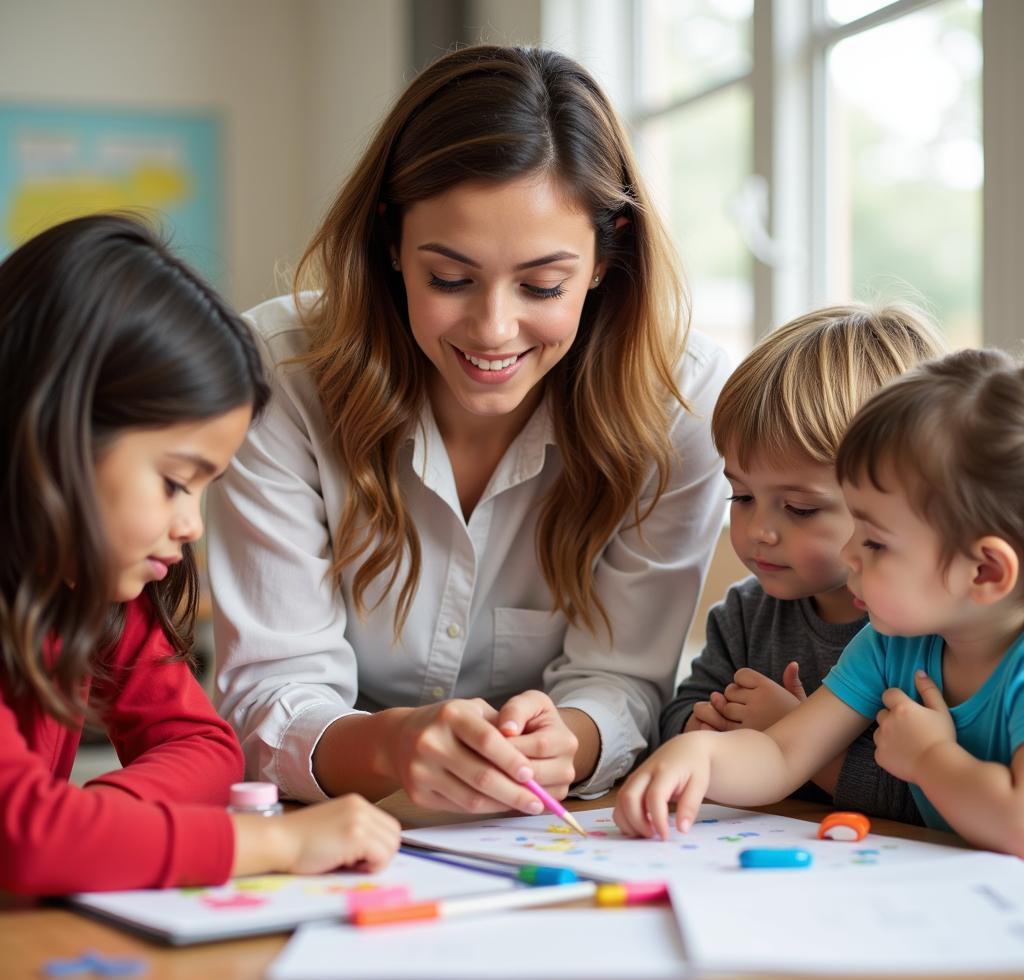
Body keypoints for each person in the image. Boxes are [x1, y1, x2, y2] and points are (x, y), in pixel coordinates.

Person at [207, 44, 730, 813]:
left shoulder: (680, 402)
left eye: (543, 285)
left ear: (605, 257)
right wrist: (391, 744)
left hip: (552, 825)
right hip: (333, 824)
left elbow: (622, 681)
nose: (493, 329)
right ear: (391, 242)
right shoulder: (280, 376)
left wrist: (572, 740)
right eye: (448, 279)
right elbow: (270, 693)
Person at [0, 214, 400, 894]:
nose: (191, 526)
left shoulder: (96, 591)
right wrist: (269, 842)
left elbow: (207, 749)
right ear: (56, 432)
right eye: (174, 483)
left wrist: (93, 829)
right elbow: (28, 841)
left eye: (203, 492)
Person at [616, 348, 1024, 855]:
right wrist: (700, 753)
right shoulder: (885, 645)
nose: (850, 551)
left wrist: (929, 758)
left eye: (875, 542)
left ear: (984, 571)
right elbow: (780, 753)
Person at [659, 304, 942, 821]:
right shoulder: (747, 613)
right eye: (741, 496)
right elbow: (678, 714)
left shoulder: (919, 636)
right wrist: (701, 730)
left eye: (800, 508)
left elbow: (925, 799)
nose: (759, 531)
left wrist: (792, 737)